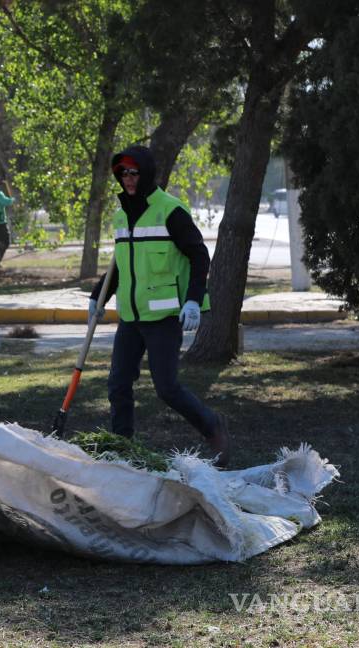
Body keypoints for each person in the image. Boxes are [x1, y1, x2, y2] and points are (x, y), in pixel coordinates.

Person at [88, 145, 231, 467]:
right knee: (118, 384)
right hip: (131, 316)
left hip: (165, 315)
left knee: (166, 388)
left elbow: (198, 255)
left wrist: (193, 300)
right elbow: (119, 265)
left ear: (147, 173)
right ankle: (121, 448)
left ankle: (213, 426)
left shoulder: (170, 210)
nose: (128, 178)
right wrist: (98, 297)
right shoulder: (121, 213)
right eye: (122, 173)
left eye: (133, 172)